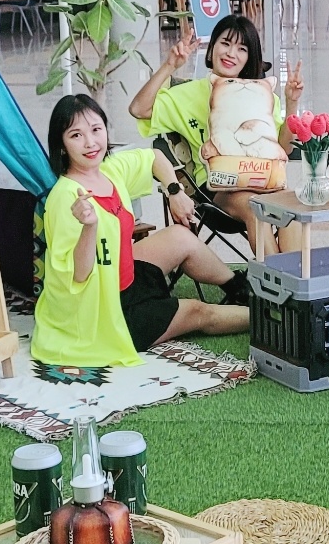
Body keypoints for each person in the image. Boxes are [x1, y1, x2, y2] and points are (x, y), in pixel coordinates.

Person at [32, 94, 250, 369]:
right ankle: (265, 318)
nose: (90, 142)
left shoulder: (110, 171)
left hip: (123, 278)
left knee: (180, 237)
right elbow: (79, 274)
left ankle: (240, 289)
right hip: (101, 311)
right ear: (62, 146)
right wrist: (89, 227)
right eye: (76, 135)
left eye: (96, 129)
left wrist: (175, 191)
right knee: (198, 311)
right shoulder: (64, 198)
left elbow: (155, 157)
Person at [128, 15, 304, 255]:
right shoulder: (189, 93)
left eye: (242, 49)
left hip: (264, 179)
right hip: (217, 189)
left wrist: (291, 104)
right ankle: (277, 278)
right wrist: (170, 65)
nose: (231, 53)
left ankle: (294, 278)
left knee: (291, 207)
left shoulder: (262, 95)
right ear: (212, 48)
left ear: (249, 57)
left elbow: (284, 148)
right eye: (225, 43)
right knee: (257, 209)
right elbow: (138, 109)